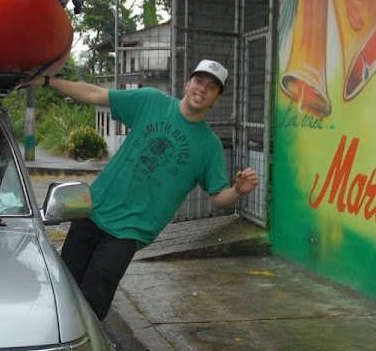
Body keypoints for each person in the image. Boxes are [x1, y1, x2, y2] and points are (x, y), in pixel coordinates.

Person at [27, 59, 260, 320]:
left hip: (129, 231)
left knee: (93, 302)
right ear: (187, 83)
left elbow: (219, 198)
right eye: (199, 81)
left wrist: (238, 190)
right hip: (94, 210)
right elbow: (95, 94)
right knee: (63, 288)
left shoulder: (210, 146)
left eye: (212, 87)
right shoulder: (151, 101)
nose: (202, 89)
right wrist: (47, 81)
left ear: (216, 98)